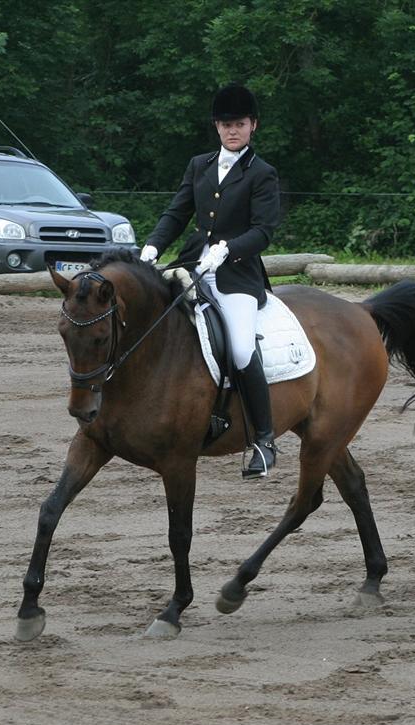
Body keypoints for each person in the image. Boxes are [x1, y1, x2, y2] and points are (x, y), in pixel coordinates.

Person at [139, 83, 281, 479]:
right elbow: (177, 212)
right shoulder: (199, 165)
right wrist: (152, 247)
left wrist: (229, 249)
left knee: (241, 349)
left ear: (253, 125)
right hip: (191, 266)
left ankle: (264, 440)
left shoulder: (262, 173)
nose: (232, 131)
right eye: (225, 124)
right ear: (216, 127)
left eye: (239, 124)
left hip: (237, 275)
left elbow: (264, 231)